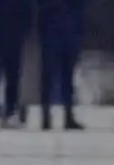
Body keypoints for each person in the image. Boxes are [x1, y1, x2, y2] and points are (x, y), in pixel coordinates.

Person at [35, 0, 85, 131]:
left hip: (69, 28)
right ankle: (46, 117)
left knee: (68, 75)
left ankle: (68, 115)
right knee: (48, 75)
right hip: (51, 29)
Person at [0, 0, 33, 127]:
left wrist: (23, 33)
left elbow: (28, 11)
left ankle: (11, 111)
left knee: (13, 77)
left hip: (14, 38)